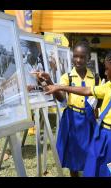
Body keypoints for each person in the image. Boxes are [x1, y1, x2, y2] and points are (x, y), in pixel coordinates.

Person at [45, 44, 111, 177]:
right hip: (101, 135)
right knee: (94, 171)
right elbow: (88, 90)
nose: (105, 73)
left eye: (107, 69)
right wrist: (60, 87)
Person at [35, 41, 100, 177]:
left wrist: (96, 111)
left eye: (82, 57)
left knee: (91, 152)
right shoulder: (67, 77)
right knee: (73, 153)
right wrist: (50, 82)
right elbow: (60, 98)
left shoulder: (95, 78)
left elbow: (98, 100)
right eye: (75, 56)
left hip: (89, 121)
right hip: (72, 119)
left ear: (88, 58)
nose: (78, 60)